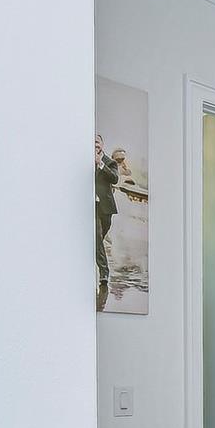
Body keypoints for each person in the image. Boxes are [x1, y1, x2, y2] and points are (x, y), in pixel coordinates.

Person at [95, 133, 119, 310]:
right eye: (92, 142)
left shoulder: (109, 161)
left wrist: (100, 164)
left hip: (106, 209)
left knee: (99, 240)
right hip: (92, 208)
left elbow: (114, 178)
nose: (95, 144)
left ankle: (99, 266)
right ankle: (104, 273)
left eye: (97, 141)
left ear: (102, 144)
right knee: (96, 237)